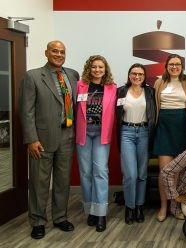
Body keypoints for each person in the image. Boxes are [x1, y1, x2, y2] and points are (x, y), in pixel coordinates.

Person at [20, 40, 78, 239]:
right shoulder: (33, 76)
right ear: (46, 53)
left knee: (63, 181)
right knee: (39, 182)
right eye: (55, 51)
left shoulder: (72, 75)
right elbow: (26, 111)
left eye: (62, 51)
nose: (59, 54)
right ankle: (37, 221)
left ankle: (60, 217)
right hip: (41, 139)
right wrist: (31, 139)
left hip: (67, 135)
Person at [75, 55, 117, 232]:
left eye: (101, 67)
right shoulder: (80, 85)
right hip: (84, 134)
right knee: (85, 173)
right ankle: (90, 210)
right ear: (89, 68)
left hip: (101, 135)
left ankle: (100, 213)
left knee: (100, 172)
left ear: (105, 69)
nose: (97, 70)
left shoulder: (112, 88)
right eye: (94, 67)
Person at [153, 54, 186, 221]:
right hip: (164, 128)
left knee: (177, 171)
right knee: (164, 171)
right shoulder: (159, 82)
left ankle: (175, 206)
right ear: (166, 66)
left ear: (182, 66)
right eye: (171, 64)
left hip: (183, 129)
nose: (174, 67)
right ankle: (163, 207)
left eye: (178, 64)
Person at [116, 63, 156, 225]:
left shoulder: (150, 92)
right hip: (127, 133)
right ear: (129, 75)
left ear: (144, 77)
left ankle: (139, 207)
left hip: (144, 133)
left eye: (140, 74)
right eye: (134, 73)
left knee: (141, 174)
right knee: (130, 175)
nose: (137, 77)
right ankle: (129, 207)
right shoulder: (121, 91)